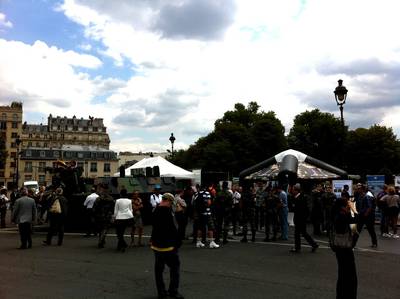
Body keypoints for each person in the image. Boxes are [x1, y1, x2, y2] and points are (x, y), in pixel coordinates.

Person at [150, 193, 184, 299]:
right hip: (169, 246)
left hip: (156, 245)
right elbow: (176, 228)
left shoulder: (155, 210)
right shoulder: (169, 212)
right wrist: (178, 243)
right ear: (169, 201)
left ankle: (161, 292)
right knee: (175, 268)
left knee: (158, 270)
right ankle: (173, 291)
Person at [330, 192, 358, 299]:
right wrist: (353, 213)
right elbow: (355, 231)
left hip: (339, 248)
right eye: (347, 205)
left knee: (343, 275)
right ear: (342, 207)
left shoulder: (337, 215)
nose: (349, 206)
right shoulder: (342, 217)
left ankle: (341, 295)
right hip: (345, 249)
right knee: (349, 276)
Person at [290, 183, 318, 253]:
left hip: (300, 219)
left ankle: (298, 248)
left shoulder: (300, 198)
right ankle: (313, 244)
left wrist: (303, 218)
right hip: (301, 218)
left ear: (296, 191)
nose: (292, 191)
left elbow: (302, 209)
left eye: (293, 190)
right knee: (303, 233)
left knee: (298, 233)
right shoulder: (300, 197)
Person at [93, 183, 115, 248]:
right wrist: (112, 216)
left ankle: (101, 240)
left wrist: (94, 216)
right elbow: (113, 208)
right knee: (105, 229)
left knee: (100, 229)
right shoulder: (111, 199)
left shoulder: (98, 199)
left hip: (99, 216)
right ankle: (101, 240)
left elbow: (94, 208)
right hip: (107, 216)